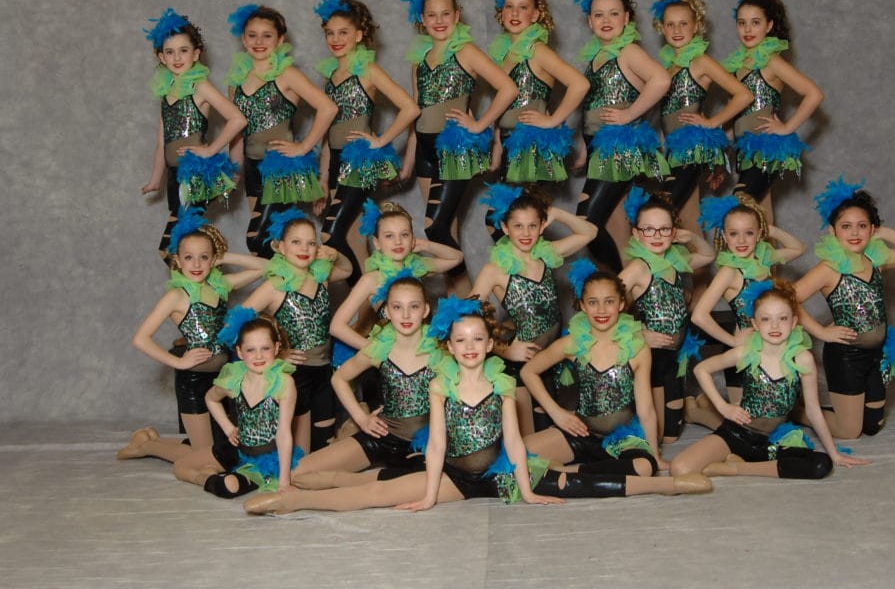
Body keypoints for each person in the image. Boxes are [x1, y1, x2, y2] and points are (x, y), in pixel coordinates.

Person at [242, 296, 710, 515]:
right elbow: (437, 443)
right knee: (375, 497)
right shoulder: (440, 385)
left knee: (582, 485)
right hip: (456, 476)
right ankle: (294, 500)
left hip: (501, 473)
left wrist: (526, 490)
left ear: (490, 344)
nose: (469, 347)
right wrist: (429, 494)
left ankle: (667, 487)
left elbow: (514, 442)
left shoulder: (502, 384)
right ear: (448, 345)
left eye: (477, 340)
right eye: (460, 340)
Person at [670, 280, 870, 479]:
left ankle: (736, 468)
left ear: (793, 322)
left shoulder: (802, 358)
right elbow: (702, 369)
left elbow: (813, 410)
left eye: (782, 318)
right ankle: (739, 457)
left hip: (772, 441)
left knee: (821, 464)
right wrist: (723, 407)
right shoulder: (745, 352)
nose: (775, 325)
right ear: (755, 324)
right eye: (766, 319)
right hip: (737, 434)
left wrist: (834, 454)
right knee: (679, 469)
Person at [402, 0, 519, 294]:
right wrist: (410, 159)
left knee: (434, 227)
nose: (439, 21)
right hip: (426, 149)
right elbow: (417, 111)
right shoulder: (419, 59)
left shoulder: (465, 51)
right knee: (446, 232)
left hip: (454, 148)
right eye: (432, 15)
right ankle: (459, 305)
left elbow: (508, 89)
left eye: (445, 14)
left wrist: (480, 124)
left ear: (456, 16)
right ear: (422, 19)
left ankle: (473, 301)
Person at [794, 177, 895, 438]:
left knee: (872, 427)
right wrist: (821, 332)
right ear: (832, 231)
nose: (855, 233)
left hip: (876, 355)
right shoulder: (829, 268)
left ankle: (836, 411)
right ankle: (799, 412)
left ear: (871, 229)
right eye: (846, 226)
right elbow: (788, 299)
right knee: (849, 431)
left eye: (862, 226)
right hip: (846, 356)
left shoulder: (876, 260)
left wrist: (884, 233)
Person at [127, 208, 266, 452]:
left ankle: (156, 443)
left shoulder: (220, 286)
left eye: (204, 257)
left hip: (223, 379)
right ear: (178, 261)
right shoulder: (176, 296)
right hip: (193, 381)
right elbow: (140, 338)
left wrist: (224, 257)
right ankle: (148, 446)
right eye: (189, 257)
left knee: (227, 452)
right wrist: (178, 362)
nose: (197, 264)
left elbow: (266, 268)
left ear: (213, 260)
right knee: (204, 458)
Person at [117, 314, 300, 499]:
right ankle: (201, 474)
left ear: (276, 347)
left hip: (268, 458)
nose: (258, 356)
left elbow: (284, 433)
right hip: (237, 450)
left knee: (230, 486)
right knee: (181, 467)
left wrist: (284, 483)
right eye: (250, 350)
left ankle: (214, 477)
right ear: (240, 352)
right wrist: (228, 428)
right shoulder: (235, 379)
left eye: (265, 348)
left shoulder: (284, 383)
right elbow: (211, 398)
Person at [521, 262, 672, 478]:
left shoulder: (638, 349)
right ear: (583, 306)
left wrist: (654, 455)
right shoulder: (572, 343)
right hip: (581, 432)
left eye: (609, 302)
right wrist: (557, 413)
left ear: (621, 304)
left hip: (622, 439)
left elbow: (646, 409)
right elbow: (528, 371)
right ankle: (593, 471)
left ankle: (568, 472)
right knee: (517, 454)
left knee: (645, 467)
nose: (601, 310)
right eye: (593, 302)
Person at [290, 277, 444, 488]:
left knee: (400, 486)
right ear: (387, 311)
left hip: (425, 446)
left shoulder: (442, 349)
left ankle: (369, 478)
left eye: (414, 306)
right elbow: (339, 378)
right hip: (384, 436)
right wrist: (362, 419)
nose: (406, 315)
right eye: (397, 307)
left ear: (425, 310)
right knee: (297, 473)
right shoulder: (378, 349)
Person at [472, 184, 597, 434]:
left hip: (549, 357)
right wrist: (505, 350)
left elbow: (590, 232)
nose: (526, 233)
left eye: (532, 225)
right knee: (529, 437)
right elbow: (465, 318)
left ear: (542, 226)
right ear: (505, 228)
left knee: (551, 428)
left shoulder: (547, 254)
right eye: (518, 226)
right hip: (520, 362)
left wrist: (557, 213)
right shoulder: (495, 270)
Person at [313, 0, 419, 284]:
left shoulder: (368, 70)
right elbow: (328, 132)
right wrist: (323, 178)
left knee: (330, 235)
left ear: (359, 35)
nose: (336, 39)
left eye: (343, 32)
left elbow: (410, 108)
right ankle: (369, 303)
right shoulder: (331, 74)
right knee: (352, 240)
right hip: (336, 162)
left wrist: (381, 141)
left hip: (359, 164)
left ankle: (363, 298)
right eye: (330, 33)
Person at [572, 0, 670, 272]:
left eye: (614, 13)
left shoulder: (628, 51)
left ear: (626, 18)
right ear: (589, 21)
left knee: (586, 222)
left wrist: (628, 114)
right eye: (598, 14)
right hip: (600, 148)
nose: (606, 20)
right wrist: (586, 148)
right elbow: (594, 108)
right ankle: (631, 288)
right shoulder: (596, 56)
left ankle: (619, 287)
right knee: (616, 228)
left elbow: (661, 80)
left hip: (619, 149)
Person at [224, 4, 338, 256]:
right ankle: (284, 283)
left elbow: (328, 108)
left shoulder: (287, 74)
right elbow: (237, 133)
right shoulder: (237, 80)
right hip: (252, 166)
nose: (259, 42)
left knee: (258, 238)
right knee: (271, 246)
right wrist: (234, 173)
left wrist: (304, 146)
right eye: (252, 35)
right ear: (243, 39)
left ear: (280, 40)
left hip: (281, 168)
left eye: (267, 35)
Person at [240, 209, 351, 453]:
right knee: (301, 452)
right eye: (296, 242)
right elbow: (237, 322)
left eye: (311, 243)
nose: (304, 248)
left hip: (324, 370)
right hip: (295, 375)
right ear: (280, 247)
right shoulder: (274, 286)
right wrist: (277, 354)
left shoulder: (320, 276)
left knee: (324, 446)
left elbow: (347, 270)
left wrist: (335, 254)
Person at [140, 9, 247, 261]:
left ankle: (199, 281)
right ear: (161, 57)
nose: (177, 57)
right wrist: (155, 179)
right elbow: (161, 142)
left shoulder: (200, 86)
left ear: (196, 54)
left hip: (194, 175)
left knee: (173, 248)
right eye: (170, 52)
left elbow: (238, 119)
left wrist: (211, 150)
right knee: (185, 247)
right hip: (175, 175)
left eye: (183, 50)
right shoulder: (166, 90)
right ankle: (199, 281)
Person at [689, 193, 805, 407]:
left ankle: (703, 406)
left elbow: (798, 249)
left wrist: (769, 229)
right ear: (724, 236)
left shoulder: (765, 258)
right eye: (734, 234)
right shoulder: (729, 272)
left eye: (749, 233)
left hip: (775, 344)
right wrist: (732, 342)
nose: (741, 241)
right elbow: (699, 316)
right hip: (744, 351)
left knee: (779, 410)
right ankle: (697, 410)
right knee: (744, 418)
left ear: (759, 234)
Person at [648, 0, 751, 230]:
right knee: (685, 219)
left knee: (660, 211)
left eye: (683, 23)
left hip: (692, 148)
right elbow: (668, 113)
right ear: (662, 28)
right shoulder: (668, 67)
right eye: (670, 24)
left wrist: (713, 122)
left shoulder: (700, 61)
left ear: (696, 26)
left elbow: (744, 95)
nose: (677, 30)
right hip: (674, 150)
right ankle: (696, 254)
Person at [618, 188, 715, 442]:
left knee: (672, 436)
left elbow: (708, 255)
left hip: (674, 354)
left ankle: (693, 408)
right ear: (636, 234)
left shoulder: (675, 261)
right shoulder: (638, 268)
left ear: (673, 232)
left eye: (664, 229)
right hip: (651, 358)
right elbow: (603, 307)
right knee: (660, 437)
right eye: (649, 230)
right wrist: (639, 333)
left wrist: (691, 236)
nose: (657, 236)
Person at [723, 0, 824, 225]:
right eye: (742, 23)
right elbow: (738, 114)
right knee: (761, 219)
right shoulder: (737, 64)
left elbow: (814, 94)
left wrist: (787, 127)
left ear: (769, 26)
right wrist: (721, 150)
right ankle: (769, 251)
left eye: (755, 22)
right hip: (744, 151)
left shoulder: (771, 61)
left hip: (766, 150)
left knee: (739, 210)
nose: (748, 30)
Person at [488, 0, 589, 185]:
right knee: (507, 205)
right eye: (509, 6)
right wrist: (497, 145)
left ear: (535, 14)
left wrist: (552, 120)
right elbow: (503, 104)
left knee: (522, 204)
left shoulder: (537, 50)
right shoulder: (503, 55)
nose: (514, 13)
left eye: (523, 7)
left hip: (531, 144)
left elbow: (580, 84)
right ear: (501, 12)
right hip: (508, 141)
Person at [330, 200, 464, 354]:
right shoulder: (371, 280)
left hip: (420, 351)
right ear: (377, 243)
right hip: (391, 356)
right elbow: (336, 327)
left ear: (412, 238)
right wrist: (377, 353)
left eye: (404, 235)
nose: (398, 241)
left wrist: (425, 245)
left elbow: (456, 258)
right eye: (389, 236)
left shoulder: (417, 268)